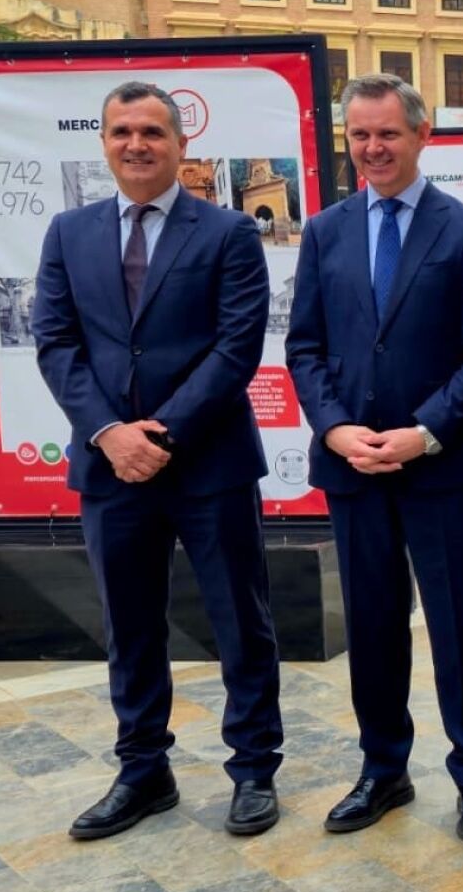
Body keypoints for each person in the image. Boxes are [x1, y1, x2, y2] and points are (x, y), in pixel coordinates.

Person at [32, 81, 282, 840]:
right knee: (131, 624)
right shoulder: (69, 233)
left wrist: (162, 433)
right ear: (104, 142)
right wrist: (110, 433)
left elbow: (236, 347)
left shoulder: (228, 232)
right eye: (121, 132)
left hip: (210, 463)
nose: (136, 144)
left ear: (180, 144)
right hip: (111, 469)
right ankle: (144, 770)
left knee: (239, 619)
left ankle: (253, 769)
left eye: (151, 131)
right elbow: (56, 343)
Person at [286, 74, 463, 842]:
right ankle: (383, 768)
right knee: (374, 624)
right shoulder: (325, 231)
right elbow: (305, 347)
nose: (373, 148)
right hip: (354, 467)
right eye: (360, 135)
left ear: (421, 135)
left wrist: (427, 430)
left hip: (442, 466)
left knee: (458, 625)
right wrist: (334, 429)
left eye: (387, 133)